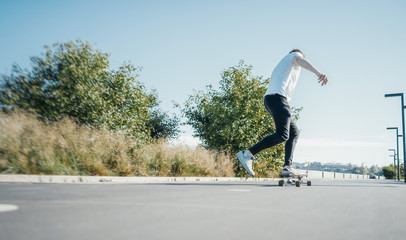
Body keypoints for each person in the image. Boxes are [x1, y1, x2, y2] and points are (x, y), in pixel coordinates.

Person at [236, 49, 328, 177]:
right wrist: (318, 73)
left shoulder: (282, 67)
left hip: (272, 100)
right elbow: (299, 60)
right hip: (278, 99)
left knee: (294, 132)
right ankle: (248, 153)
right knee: (283, 135)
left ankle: (287, 167)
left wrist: (275, 117)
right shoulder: (295, 56)